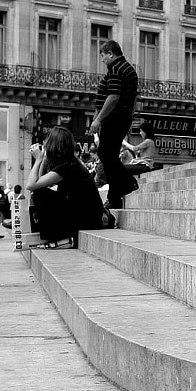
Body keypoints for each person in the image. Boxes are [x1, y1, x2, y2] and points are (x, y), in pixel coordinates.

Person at [24, 127, 105, 249]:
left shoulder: (67, 166)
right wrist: (44, 158)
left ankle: (59, 237)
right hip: (88, 216)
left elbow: (31, 185)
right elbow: (40, 182)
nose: (44, 143)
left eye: (47, 140)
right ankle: (56, 235)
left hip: (88, 219)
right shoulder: (69, 163)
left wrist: (39, 159)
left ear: (53, 144)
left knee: (40, 194)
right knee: (41, 193)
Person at [87, 40, 139, 210]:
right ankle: (115, 197)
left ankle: (127, 183)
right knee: (107, 155)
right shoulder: (122, 69)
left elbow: (113, 97)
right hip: (118, 117)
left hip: (115, 118)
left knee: (106, 154)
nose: (102, 60)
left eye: (103, 56)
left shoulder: (117, 69)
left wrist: (98, 119)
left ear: (110, 53)